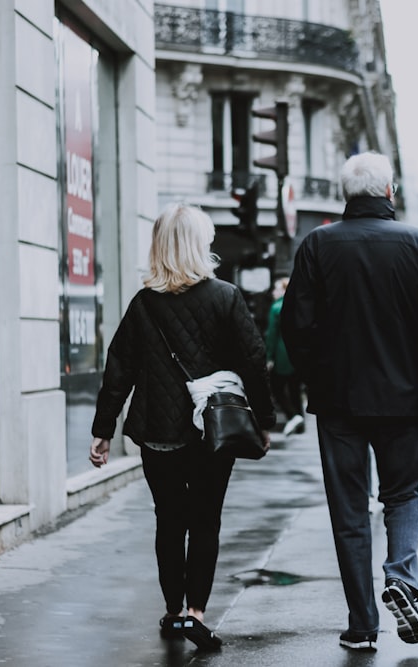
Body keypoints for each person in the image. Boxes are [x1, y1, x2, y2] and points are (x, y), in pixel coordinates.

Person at [281, 152, 418, 652]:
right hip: (404, 397)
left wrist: (317, 379)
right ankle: (402, 578)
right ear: (390, 192)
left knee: (348, 512)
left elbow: (294, 330)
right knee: (404, 494)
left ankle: (362, 625)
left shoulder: (317, 246)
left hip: (339, 402)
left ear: (347, 194)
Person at [89, 203, 274, 651]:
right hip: (213, 430)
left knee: (169, 519)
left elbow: (118, 371)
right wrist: (265, 422)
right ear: (199, 245)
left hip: (158, 431)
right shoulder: (226, 297)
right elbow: (254, 362)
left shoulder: (143, 303)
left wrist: (103, 429)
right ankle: (196, 613)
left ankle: (173, 612)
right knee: (206, 519)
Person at [265, 277, 305, 436]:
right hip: (297, 354)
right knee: (295, 388)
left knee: (276, 387)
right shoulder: (298, 306)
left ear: (283, 290)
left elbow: (272, 335)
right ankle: (299, 422)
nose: (273, 292)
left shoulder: (276, 308)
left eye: (276, 288)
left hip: (282, 353)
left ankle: (292, 415)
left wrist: (269, 356)